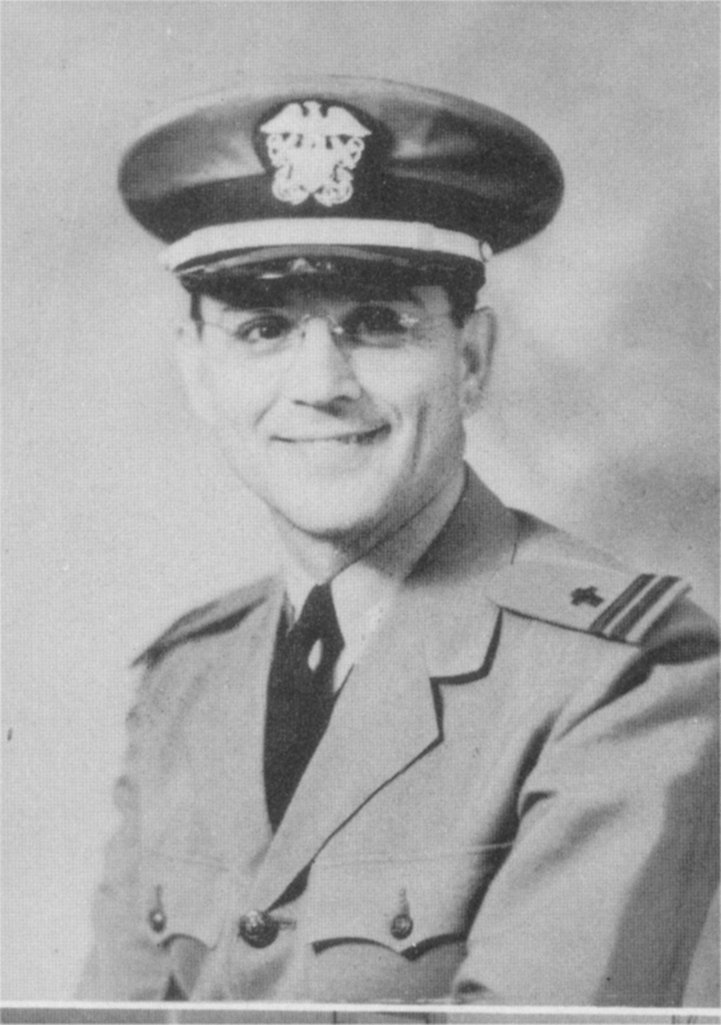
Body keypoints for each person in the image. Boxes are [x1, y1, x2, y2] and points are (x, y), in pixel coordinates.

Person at [77, 77, 718, 1006]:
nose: (320, 383)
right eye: (262, 328)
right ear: (198, 371)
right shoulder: (188, 680)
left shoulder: (625, 676)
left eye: (377, 323)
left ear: (470, 360)